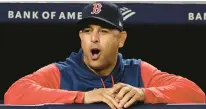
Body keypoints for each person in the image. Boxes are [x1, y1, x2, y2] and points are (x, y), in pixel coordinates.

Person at [4, 1, 205, 109]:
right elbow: (14, 94)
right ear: (80, 37)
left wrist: (144, 93)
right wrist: (83, 97)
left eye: (104, 31)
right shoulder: (62, 72)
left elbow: (196, 95)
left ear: (121, 39)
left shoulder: (137, 70)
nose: (94, 38)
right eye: (87, 31)